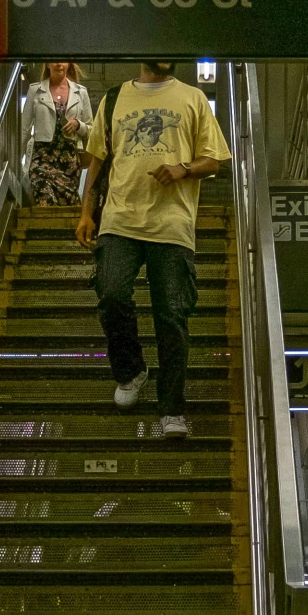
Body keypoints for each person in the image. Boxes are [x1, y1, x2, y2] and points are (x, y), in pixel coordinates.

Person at [77, 60, 230, 440]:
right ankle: (131, 371)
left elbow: (215, 160)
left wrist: (183, 168)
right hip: (119, 218)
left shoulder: (192, 98)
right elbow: (96, 160)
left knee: (172, 316)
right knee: (111, 295)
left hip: (172, 223)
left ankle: (172, 409)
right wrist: (85, 212)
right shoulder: (113, 100)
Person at [24, 61, 93, 206]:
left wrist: (77, 124)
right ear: (48, 64)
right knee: (43, 194)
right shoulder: (35, 90)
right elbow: (24, 128)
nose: (58, 64)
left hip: (69, 158)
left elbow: (91, 129)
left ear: (69, 64)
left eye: (62, 60)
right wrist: (17, 161)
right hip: (42, 156)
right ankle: (43, 227)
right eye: (54, 60)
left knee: (67, 203)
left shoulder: (81, 92)